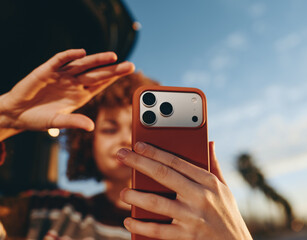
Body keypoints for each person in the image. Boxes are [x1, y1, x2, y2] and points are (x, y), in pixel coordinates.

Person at [0, 49, 253, 240]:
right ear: (88, 142)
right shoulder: (46, 210)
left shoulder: (202, 227)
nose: (125, 138)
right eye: (110, 128)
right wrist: (5, 120)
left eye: (138, 128)